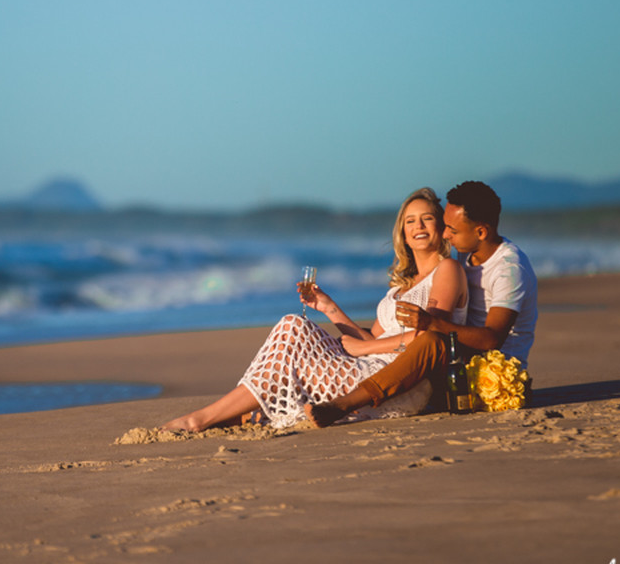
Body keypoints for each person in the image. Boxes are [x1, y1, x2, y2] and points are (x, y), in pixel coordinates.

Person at [161, 187, 468, 433]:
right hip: (370, 365)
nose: (418, 226)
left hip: (398, 383)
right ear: (402, 231)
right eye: (410, 220)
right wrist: (329, 308)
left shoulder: (448, 269)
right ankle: (232, 413)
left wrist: (366, 348)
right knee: (292, 325)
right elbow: (365, 339)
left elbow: (432, 334)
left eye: (427, 218)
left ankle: (205, 418)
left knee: (292, 355)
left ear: (441, 227)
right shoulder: (400, 286)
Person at [307, 180, 538, 427]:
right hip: (452, 361)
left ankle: (344, 405)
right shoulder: (467, 250)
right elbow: (375, 338)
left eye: (452, 230)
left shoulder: (509, 269)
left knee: (432, 339)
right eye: (446, 226)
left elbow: (492, 339)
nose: (447, 234)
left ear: (481, 232)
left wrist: (431, 322)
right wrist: (328, 307)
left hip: (490, 375)